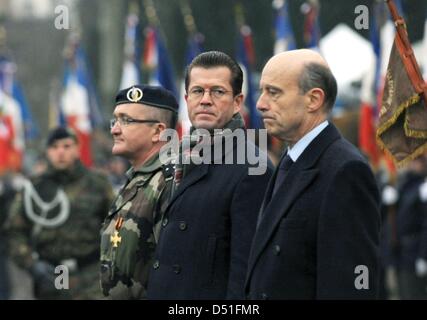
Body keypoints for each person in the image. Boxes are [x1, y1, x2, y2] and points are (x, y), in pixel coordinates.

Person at [245, 49, 381, 299]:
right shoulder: (290, 159)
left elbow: (348, 287)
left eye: (273, 92)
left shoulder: (345, 171)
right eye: (262, 91)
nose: (260, 104)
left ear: (314, 99)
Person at [147, 51, 273, 299]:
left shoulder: (252, 167)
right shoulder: (175, 157)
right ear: (186, 99)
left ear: (238, 102)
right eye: (197, 91)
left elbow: (246, 273)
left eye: (217, 91)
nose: (205, 100)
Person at [5, 127, 114, 299]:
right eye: (54, 147)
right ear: (47, 151)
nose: (60, 152)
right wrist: (31, 264)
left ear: (77, 149)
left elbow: (116, 225)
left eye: (66, 146)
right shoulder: (33, 189)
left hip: (91, 276)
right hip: (52, 276)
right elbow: (14, 232)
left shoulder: (97, 185)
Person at [100, 85, 178, 299]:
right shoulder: (139, 178)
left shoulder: (170, 181)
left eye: (126, 121)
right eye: (115, 120)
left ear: (158, 131)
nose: (114, 129)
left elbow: (174, 269)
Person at [393, 155, 427, 299]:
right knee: (403, 293)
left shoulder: (422, 187)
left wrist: (423, 256)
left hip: (415, 251)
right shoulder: (404, 184)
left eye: (417, 160)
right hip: (401, 252)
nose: (412, 164)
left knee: (414, 293)